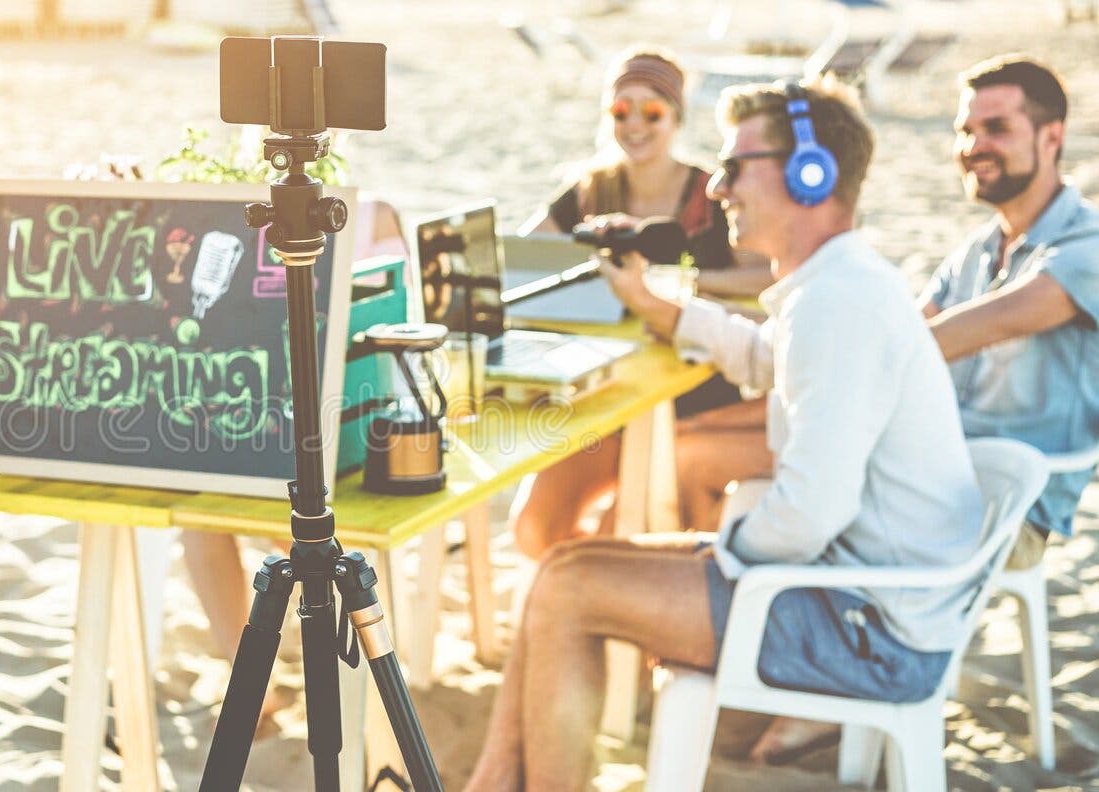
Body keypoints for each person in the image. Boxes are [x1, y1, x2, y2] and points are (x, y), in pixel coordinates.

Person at [463, 75, 986, 791]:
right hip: (853, 591)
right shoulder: (835, 286)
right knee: (565, 569)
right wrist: (648, 300)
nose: (717, 188)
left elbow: (809, 513)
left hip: (867, 628)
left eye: (736, 167)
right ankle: (496, 781)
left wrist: (707, 561)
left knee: (567, 588)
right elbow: (762, 356)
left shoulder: (839, 304)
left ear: (811, 175)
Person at [706, 53, 1099, 764]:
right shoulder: (976, 250)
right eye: (965, 128)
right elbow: (894, 335)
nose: (973, 144)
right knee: (725, 440)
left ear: (1052, 137)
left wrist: (849, 339)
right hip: (923, 472)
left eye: (997, 127)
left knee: (757, 454)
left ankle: (789, 667)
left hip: (998, 509)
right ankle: (736, 649)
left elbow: (955, 333)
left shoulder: (1086, 247)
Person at [509, 46, 770, 558]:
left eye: (651, 111)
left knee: (629, 530)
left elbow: (765, 275)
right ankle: (586, 592)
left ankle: (599, 592)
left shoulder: (711, 193)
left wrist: (675, 283)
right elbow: (522, 261)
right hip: (601, 392)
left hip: (692, 391)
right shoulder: (590, 190)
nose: (634, 124)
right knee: (534, 530)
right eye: (619, 111)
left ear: (676, 117)